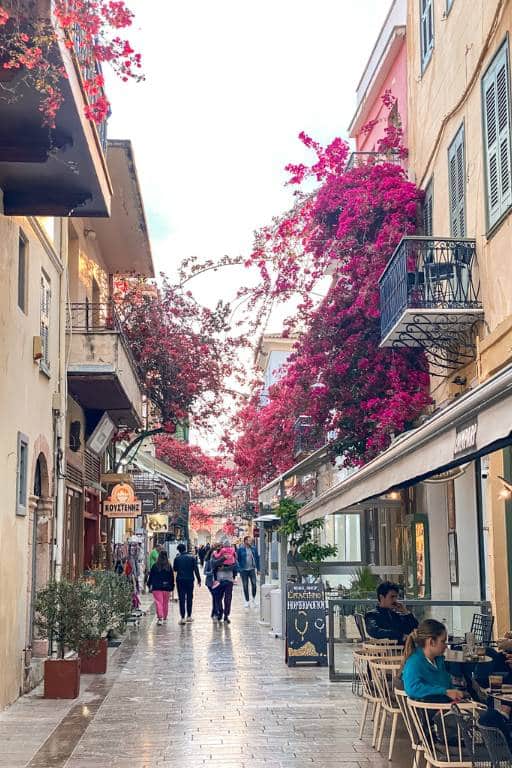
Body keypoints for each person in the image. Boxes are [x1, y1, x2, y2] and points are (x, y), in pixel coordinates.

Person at [401, 619, 464, 702]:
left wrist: (455, 692)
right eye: (443, 641)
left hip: (448, 705)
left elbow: (446, 684)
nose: (446, 646)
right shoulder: (414, 662)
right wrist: (445, 692)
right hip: (435, 710)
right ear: (431, 642)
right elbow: (412, 689)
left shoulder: (438, 660)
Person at [173, 543, 201, 625]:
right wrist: (199, 579)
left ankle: (182, 617)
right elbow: (196, 569)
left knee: (181, 598)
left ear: (179, 550)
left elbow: (175, 569)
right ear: (185, 549)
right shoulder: (192, 558)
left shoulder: (177, 558)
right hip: (190, 579)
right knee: (189, 597)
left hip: (180, 580)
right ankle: (189, 616)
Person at [211, 540, 237, 624]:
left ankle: (226, 615)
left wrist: (224, 568)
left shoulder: (232, 553)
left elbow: (235, 565)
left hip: (229, 579)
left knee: (228, 599)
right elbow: (213, 564)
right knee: (218, 598)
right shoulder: (214, 554)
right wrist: (223, 558)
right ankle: (221, 612)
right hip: (218, 580)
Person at [147, 550, 175, 626]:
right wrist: (172, 586)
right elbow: (171, 577)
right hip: (167, 587)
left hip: (157, 587)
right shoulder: (169, 566)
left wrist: (149, 584)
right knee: (165, 603)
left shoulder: (155, 566)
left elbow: (151, 576)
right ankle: (165, 617)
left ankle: (160, 617)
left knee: (158, 602)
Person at [237, 536, 260, 608]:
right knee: (245, 585)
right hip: (244, 570)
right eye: (249, 540)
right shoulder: (240, 549)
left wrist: (258, 569)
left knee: (254, 584)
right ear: (245, 541)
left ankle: (253, 599)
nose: (251, 542)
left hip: (252, 569)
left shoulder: (253, 548)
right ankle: (247, 601)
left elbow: (257, 559)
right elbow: (237, 559)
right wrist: (239, 569)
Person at [204, 543, 220, 619]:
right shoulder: (208, 562)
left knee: (216, 597)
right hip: (210, 582)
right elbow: (204, 572)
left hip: (217, 582)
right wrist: (210, 572)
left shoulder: (219, 562)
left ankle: (214, 612)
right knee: (215, 596)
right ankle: (215, 612)